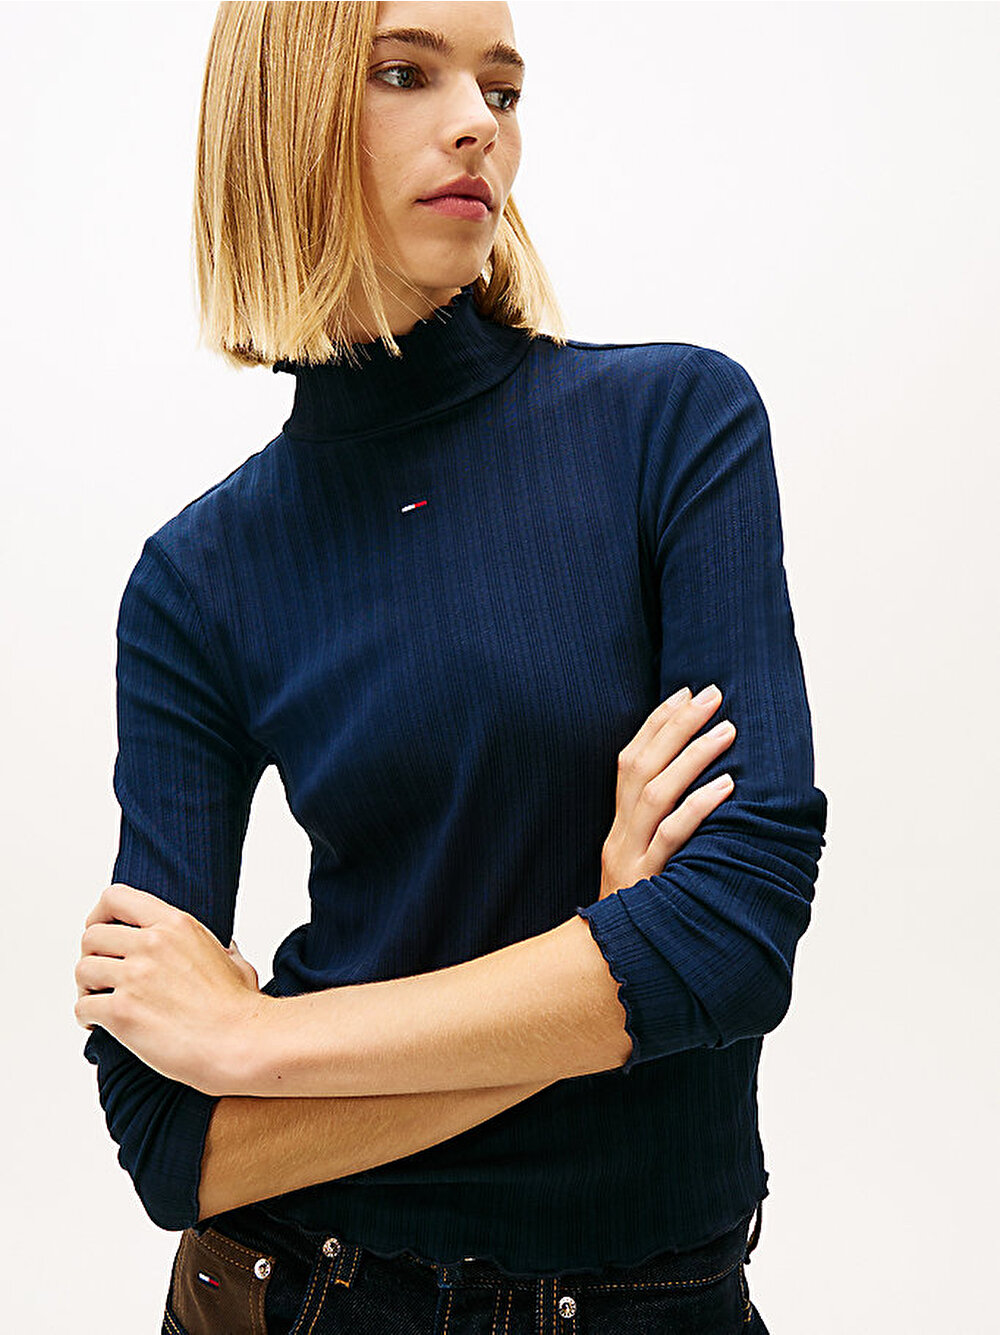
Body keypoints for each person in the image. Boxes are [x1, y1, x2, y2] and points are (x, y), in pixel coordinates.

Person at [74, 3, 827, 1332]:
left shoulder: (674, 425)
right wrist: (603, 966)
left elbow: (731, 938)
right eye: (405, 73)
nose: (480, 122)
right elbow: (169, 1140)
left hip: (665, 1301)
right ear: (284, 117)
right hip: (314, 1293)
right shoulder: (199, 578)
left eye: (503, 87)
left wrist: (257, 1043)